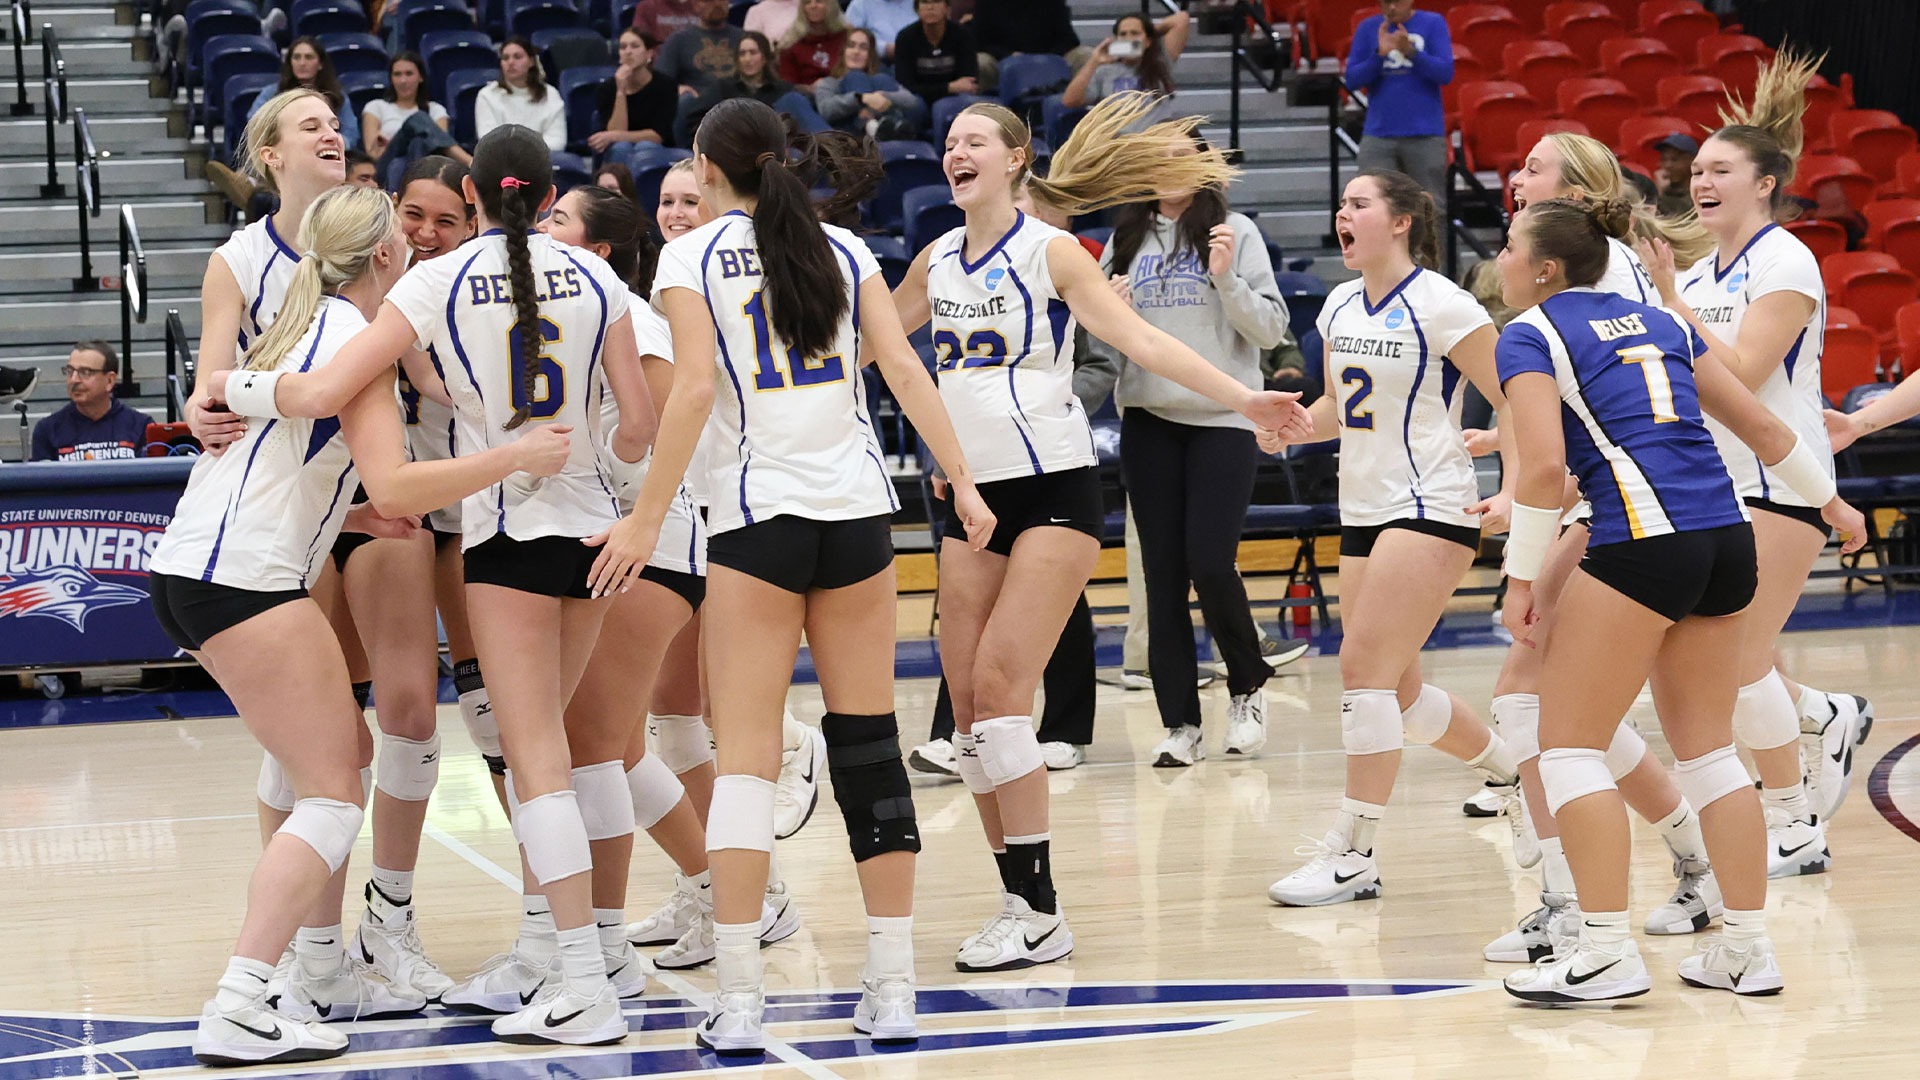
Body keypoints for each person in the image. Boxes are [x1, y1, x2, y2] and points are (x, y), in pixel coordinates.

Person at [205, 124, 658, 1046]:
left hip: (502, 534)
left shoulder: (430, 280)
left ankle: (580, 978)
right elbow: (638, 425)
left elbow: (330, 384)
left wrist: (228, 391)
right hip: (592, 530)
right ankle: (588, 960)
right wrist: (584, 467)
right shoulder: (599, 277)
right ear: (543, 192)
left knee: (534, 764)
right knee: (559, 757)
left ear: (478, 194)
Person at [582, 98, 998, 1055]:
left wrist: (647, 520)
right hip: (858, 517)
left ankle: (740, 997)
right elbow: (902, 365)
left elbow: (690, 392)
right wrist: (964, 485)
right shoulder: (846, 250)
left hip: (758, 523)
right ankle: (890, 986)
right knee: (869, 753)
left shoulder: (690, 257)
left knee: (747, 765)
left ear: (707, 167)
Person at [892, 92, 1310, 970]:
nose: (955, 151)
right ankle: (1017, 898)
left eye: (975, 140)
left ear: (1015, 159)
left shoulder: (1051, 254)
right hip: (969, 499)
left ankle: (1044, 909)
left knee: (1004, 692)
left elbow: (1144, 343)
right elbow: (873, 344)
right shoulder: (934, 260)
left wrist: (1245, 398)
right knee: (966, 713)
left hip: (1053, 486)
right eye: (949, 140)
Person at [159, 183, 574, 1066]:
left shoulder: (298, 330)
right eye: (403, 235)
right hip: (242, 579)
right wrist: (512, 456)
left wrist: (354, 520)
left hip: (205, 564)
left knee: (337, 760)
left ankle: (314, 970)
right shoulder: (356, 345)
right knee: (333, 791)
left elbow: (305, 475)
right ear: (387, 257)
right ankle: (245, 995)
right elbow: (394, 484)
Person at [1493, 195, 1864, 1002]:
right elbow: (1767, 432)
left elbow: (1543, 472)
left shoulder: (1529, 334)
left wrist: (1521, 578)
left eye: (1511, 244)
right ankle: (1746, 948)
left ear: (1546, 269)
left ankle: (1603, 951)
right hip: (1727, 534)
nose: (1501, 258)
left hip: (1641, 537)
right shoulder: (1660, 320)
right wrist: (1831, 505)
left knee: (1569, 748)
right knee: (1708, 752)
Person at [1473, 130, 1738, 965]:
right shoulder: (1589, 275)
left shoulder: (1602, 278)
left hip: (1629, 505)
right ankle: (1687, 862)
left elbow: (1580, 421)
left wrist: (1527, 518)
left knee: (1539, 707)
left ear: (1576, 192)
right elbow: (1544, 411)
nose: (1517, 179)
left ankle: (1576, 910)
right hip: (1640, 503)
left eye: (1534, 169)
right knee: (1551, 705)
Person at [1260, 170, 1524, 908]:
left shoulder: (1444, 303)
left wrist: (1510, 486)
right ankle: (1514, 774)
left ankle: (1354, 852)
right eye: (1341, 204)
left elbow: (1517, 395)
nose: (1342, 213)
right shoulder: (1341, 302)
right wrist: (1291, 428)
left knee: (1362, 670)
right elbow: (1344, 409)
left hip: (1433, 501)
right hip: (1364, 506)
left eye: (1359, 203)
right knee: (1398, 691)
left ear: (1403, 221)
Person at [1640, 52, 1871, 877]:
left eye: (1720, 170)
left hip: (1782, 481)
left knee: (1735, 663)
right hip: (1711, 483)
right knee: (1715, 663)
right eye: (1697, 170)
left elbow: (1737, 371)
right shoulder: (1699, 271)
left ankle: (1796, 822)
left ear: (1765, 183)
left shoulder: (1786, 260)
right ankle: (1824, 716)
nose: (1701, 181)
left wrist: (1668, 305)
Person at [1085, 127, 1288, 764]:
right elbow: (1097, 345)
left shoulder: (1236, 230)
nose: (1169, 168)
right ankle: (1181, 724)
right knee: (1161, 575)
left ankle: (1248, 684)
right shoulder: (1124, 239)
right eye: (1158, 158)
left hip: (1223, 419)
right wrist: (1106, 311)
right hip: (1148, 420)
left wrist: (1227, 281)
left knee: (1208, 559)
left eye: (1183, 156)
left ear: (1206, 166)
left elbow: (1272, 328)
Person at [1345, 0, 1452, 200]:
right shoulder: (1368, 27)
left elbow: (1445, 73)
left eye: (1398, 1)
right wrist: (1379, 56)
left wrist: (1412, 53)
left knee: (1430, 206)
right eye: (1387, 2)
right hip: (1379, 134)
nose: (1392, 7)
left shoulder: (1433, 23)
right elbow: (1352, 80)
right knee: (1372, 203)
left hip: (1425, 133)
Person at [29, 341, 153, 461]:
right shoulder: (48, 429)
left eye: (85, 372)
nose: (74, 380)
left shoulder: (142, 426)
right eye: (70, 371)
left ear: (110, 381)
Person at [656, 0, 749, 145]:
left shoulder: (744, 38)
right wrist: (677, 88)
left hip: (738, 99)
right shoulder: (679, 40)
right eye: (708, 1)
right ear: (694, 5)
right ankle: (685, 155)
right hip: (697, 104)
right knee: (683, 100)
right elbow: (660, 81)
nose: (716, 4)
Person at [1060, 10, 1188, 111]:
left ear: (1149, 40)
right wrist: (1094, 60)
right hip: (1119, 140)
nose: (1129, 38)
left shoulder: (1161, 62)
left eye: (1134, 33)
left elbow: (1181, 19)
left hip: (1155, 139)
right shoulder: (1103, 71)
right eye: (1123, 34)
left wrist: (1147, 32)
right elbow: (1069, 101)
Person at [813, 28, 927, 139]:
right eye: (851, 46)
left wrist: (882, 96)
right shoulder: (829, 82)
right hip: (852, 135)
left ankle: (888, 128)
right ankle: (870, 125)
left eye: (863, 48)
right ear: (843, 52)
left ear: (870, 55)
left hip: (889, 130)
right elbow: (826, 110)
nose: (856, 52)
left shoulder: (881, 79)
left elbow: (911, 101)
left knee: (881, 78)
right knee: (856, 76)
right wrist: (861, 98)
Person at [969, 0, 1087, 95]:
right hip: (1001, 59)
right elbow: (978, 42)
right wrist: (1007, 55)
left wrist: (1047, 56)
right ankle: (986, 109)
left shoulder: (1053, 2)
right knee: (981, 62)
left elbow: (1070, 40)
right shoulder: (986, 3)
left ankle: (1082, 107)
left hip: (1049, 55)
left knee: (1085, 55)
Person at [591, 29, 680, 153]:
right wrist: (621, 91)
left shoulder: (666, 85)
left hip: (658, 150)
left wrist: (615, 136)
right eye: (623, 47)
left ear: (649, 54)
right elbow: (616, 135)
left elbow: (657, 136)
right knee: (621, 148)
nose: (628, 52)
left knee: (645, 146)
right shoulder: (607, 88)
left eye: (635, 46)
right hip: (620, 150)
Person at [475, 37, 568, 153]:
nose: (510, 62)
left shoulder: (550, 94)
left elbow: (558, 142)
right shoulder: (487, 95)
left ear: (532, 61)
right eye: (505, 58)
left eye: (517, 57)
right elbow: (488, 141)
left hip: (543, 163)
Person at [362, 53, 450, 162]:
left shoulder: (435, 110)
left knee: (417, 142)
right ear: (391, 79)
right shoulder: (375, 107)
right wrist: (394, 144)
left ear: (421, 77)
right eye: (397, 74)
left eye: (409, 74)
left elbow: (440, 149)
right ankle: (467, 160)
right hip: (387, 166)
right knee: (419, 119)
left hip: (425, 164)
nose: (403, 80)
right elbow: (372, 155)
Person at [893, 0, 977, 105]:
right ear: (917, 9)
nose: (930, 7)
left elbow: (968, 83)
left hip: (954, 99)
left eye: (936, 2)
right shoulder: (905, 38)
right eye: (925, 2)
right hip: (918, 102)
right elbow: (906, 87)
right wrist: (949, 88)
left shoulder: (962, 35)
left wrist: (948, 90)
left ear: (947, 8)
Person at [777, 0, 850, 92]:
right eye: (807, 2)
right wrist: (809, 89)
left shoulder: (847, 36)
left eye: (819, 1)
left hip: (842, 93)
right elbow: (787, 84)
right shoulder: (791, 43)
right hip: (805, 97)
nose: (813, 6)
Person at [845, 0, 917, 62]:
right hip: (875, 62)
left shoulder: (920, 3)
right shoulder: (861, 4)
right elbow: (849, 38)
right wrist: (885, 49)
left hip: (915, 60)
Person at [1655, 134, 1698, 218]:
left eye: (1674, 159)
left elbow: (1679, 219)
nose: (1667, 165)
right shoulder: (1664, 189)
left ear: (1692, 161)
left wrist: (1660, 195)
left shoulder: (1699, 192)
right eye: (1664, 159)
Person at [631, 0, 706, 42]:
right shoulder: (647, 6)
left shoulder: (706, 5)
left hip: (699, 64)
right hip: (659, 66)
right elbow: (638, 42)